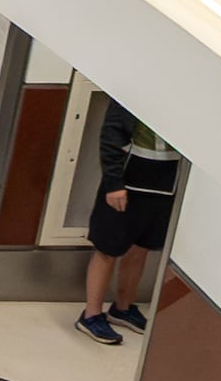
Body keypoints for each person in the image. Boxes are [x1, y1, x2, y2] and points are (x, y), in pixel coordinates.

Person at [75, 101, 179, 346]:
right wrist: (114, 184)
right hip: (127, 182)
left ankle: (122, 308)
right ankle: (91, 314)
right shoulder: (134, 90)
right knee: (107, 247)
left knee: (141, 247)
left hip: (164, 184)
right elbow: (110, 135)